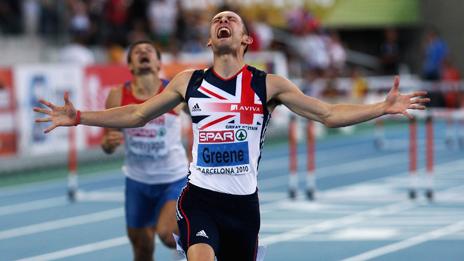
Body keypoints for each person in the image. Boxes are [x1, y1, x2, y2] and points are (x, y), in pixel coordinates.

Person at [34, 11, 429, 261]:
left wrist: (380, 107)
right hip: (199, 197)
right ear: (209, 40)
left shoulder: (268, 84)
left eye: (232, 20)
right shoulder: (189, 81)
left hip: (244, 206)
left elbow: (326, 113)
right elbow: (137, 114)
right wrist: (82, 116)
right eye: (216, 20)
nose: (223, 21)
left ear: (245, 40)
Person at [101, 40, 188, 260]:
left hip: (173, 178)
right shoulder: (117, 96)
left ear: (159, 63)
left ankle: (204, 245)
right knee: (142, 249)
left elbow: (202, 119)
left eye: (149, 51)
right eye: (137, 52)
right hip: (137, 181)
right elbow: (107, 142)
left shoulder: (174, 91)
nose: (143, 53)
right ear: (130, 65)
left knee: (168, 235)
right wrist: (108, 144)